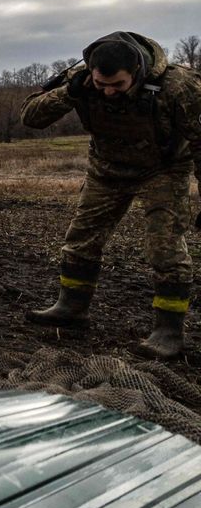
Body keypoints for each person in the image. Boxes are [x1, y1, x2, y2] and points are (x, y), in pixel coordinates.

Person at [21, 31, 201, 359]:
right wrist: (69, 93)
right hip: (107, 169)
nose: (107, 91)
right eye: (101, 84)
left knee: (165, 249)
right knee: (81, 239)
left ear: (137, 71)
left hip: (163, 170)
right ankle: (71, 307)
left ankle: (169, 331)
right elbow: (30, 117)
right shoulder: (81, 79)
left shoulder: (179, 86)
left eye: (117, 85)